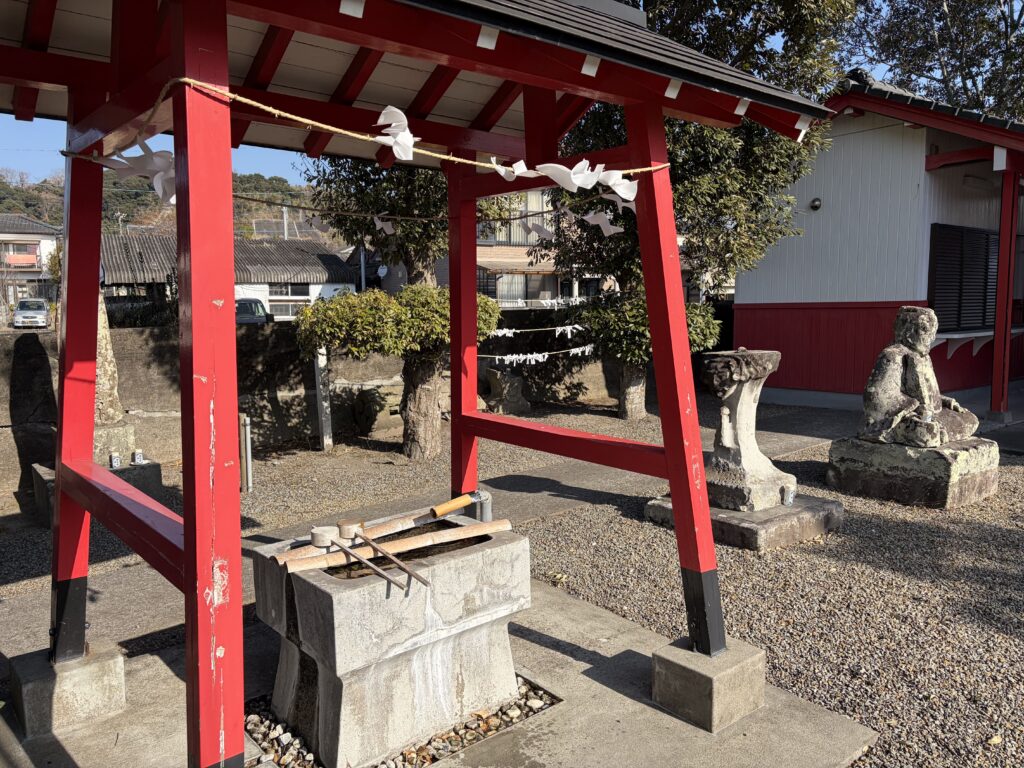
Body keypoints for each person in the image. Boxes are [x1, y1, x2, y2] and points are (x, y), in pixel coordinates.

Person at [859, 306, 979, 447]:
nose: (931, 338)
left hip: (931, 414)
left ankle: (937, 431)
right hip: (903, 417)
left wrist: (943, 401)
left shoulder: (924, 358)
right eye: (925, 331)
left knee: (970, 419)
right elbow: (876, 398)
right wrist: (914, 407)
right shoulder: (892, 355)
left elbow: (928, 395)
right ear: (909, 331)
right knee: (927, 432)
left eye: (933, 332)